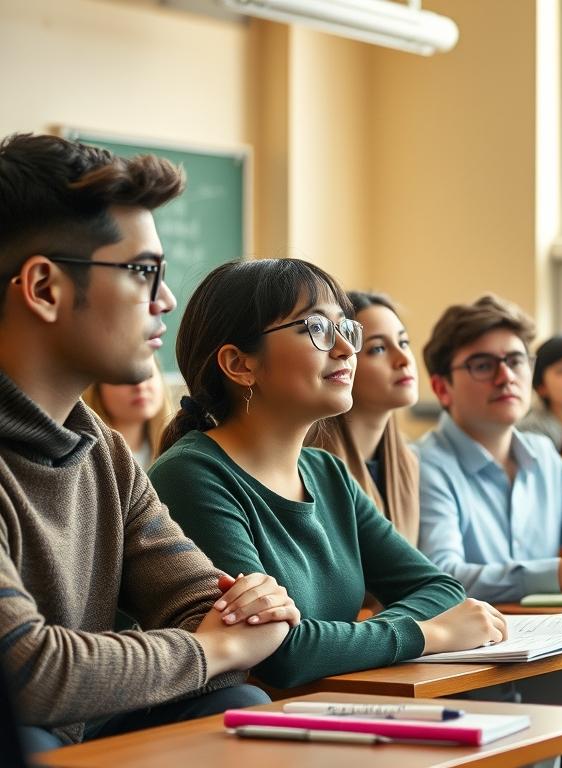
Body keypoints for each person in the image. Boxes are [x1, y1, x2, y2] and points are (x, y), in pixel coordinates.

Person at [0, 133, 296, 751]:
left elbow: (211, 609)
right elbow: (25, 673)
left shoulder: (103, 452)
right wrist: (211, 646)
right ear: (45, 288)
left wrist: (229, 633)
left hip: (71, 737)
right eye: (142, 272)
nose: (166, 300)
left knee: (235, 703)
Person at [150, 258, 505, 691]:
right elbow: (277, 652)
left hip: (333, 709)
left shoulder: (327, 472)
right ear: (240, 364)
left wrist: (353, 640)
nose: (345, 348)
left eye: (346, 329)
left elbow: (439, 587)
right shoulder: (192, 476)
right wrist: (431, 634)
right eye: (316, 329)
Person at [416, 295, 562, 602]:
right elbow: (441, 577)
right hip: (474, 645)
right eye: (483, 366)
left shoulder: (543, 456)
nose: (506, 377)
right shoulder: (424, 464)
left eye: (515, 361)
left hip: (559, 635)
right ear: (441, 388)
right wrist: (559, 574)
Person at [309, 291, 421, 545]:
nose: (403, 360)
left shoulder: (409, 462)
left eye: (403, 343)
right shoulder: (312, 464)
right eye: (378, 348)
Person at [82, 355, 170, 469]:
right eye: (124, 377)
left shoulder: (176, 451)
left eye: (148, 373)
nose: (140, 386)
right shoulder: (86, 462)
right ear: (96, 389)